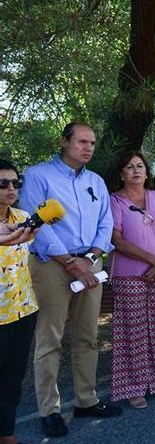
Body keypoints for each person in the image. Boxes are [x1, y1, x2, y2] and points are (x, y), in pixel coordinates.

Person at [19, 122, 122, 437]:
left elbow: (106, 222)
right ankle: (49, 410)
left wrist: (89, 259)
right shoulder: (38, 176)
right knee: (50, 340)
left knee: (87, 337)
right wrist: (69, 262)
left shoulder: (95, 181)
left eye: (92, 142)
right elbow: (35, 222)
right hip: (52, 265)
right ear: (64, 142)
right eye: (81, 141)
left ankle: (86, 400)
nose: (88, 147)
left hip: (89, 263)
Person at [108, 151, 155, 408]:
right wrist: (154, 260)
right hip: (129, 275)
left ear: (147, 172)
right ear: (122, 173)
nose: (136, 170)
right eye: (129, 167)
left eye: (140, 166)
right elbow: (117, 240)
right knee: (133, 331)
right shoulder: (115, 201)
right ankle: (134, 387)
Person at [0, 159, 38, 444]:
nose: (11, 188)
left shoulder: (22, 217)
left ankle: (6, 431)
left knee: (13, 377)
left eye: (16, 182)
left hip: (23, 308)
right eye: (3, 184)